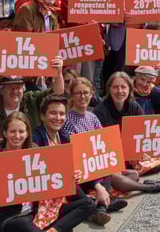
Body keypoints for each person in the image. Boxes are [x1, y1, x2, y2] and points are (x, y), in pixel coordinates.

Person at [0, 112, 95, 232]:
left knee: (88, 204)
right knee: (22, 225)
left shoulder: (34, 150)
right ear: (5, 133)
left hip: (38, 211)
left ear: (27, 133)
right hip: (13, 217)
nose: (17, 136)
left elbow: (51, 178)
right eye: (12, 131)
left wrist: (71, 176)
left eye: (21, 131)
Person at [63, 77, 160, 196]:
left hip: (99, 163)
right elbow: (74, 152)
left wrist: (111, 165)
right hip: (84, 169)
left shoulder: (91, 116)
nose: (82, 96)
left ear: (91, 94)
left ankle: (108, 192)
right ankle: (149, 187)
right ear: (72, 95)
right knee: (115, 176)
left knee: (134, 174)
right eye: (78, 93)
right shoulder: (68, 120)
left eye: (85, 93)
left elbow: (105, 143)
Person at [30, 95, 113, 225]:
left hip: (67, 185)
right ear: (42, 116)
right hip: (47, 191)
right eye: (53, 113)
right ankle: (98, 207)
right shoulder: (36, 137)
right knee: (71, 183)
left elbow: (79, 163)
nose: (58, 117)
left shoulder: (64, 136)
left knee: (105, 171)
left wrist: (97, 186)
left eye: (62, 114)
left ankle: (100, 203)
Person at [0, 57, 65, 137]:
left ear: (23, 89)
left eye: (18, 87)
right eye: (10, 87)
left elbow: (56, 93)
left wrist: (59, 72)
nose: (15, 91)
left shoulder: (32, 99)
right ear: (2, 90)